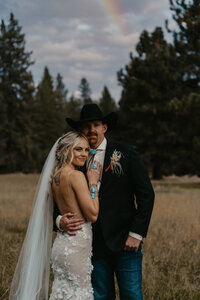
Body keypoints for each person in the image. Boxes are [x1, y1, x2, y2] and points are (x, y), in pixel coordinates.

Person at [55, 104, 155, 300]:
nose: (91, 130)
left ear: (104, 128)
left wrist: (136, 234)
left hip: (125, 241)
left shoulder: (126, 153)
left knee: (132, 295)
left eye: (96, 124)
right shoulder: (74, 161)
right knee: (100, 296)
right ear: (80, 130)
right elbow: (59, 200)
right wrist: (59, 221)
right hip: (93, 245)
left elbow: (146, 195)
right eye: (86, 126)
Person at [9, 131, 101, 300]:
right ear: (66, 150)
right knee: (80, 294)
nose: (84, 154)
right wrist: (93, 182)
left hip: (61, 244)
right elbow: (93, 214)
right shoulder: (77, 175)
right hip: (76, 245)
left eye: (87, 150)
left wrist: (59, 221)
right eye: (78, 149)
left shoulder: (56, 175)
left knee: (62, 293)